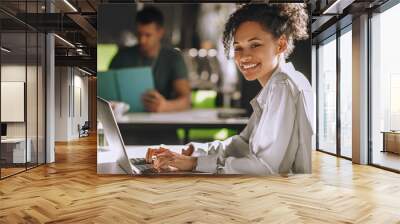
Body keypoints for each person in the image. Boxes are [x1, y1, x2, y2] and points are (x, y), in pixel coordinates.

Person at [147, 3, 314, 175]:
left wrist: (195, 163)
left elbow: (264, 169)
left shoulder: (282, 85)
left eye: (255, 45)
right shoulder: (277, 84)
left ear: (280, 45)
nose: (244, 56)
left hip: (282, 197)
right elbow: (242, 143)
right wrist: (195, 151)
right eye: (238, 48)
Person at [110, 6, 191, 112]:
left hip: (163, 124)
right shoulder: (122, 56)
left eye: (148, 35)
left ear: (160, 33)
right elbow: (106, 93)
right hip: (127, 123)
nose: (142, 40)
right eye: (139, 34)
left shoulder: (173, 57)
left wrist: (166, 106)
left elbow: (186, 100)